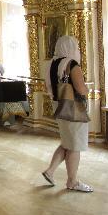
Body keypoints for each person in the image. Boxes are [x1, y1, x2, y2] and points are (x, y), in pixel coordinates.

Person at [41, 36, 93, 192]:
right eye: (76, 46)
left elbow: (49, 86)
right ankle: (72, 181)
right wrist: (87, 89)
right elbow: (80, 88)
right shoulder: (71, 64)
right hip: (73, 108)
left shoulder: (51, 63)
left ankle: (50, 171)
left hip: (59, 106)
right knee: (75, 146)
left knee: (67, 142)